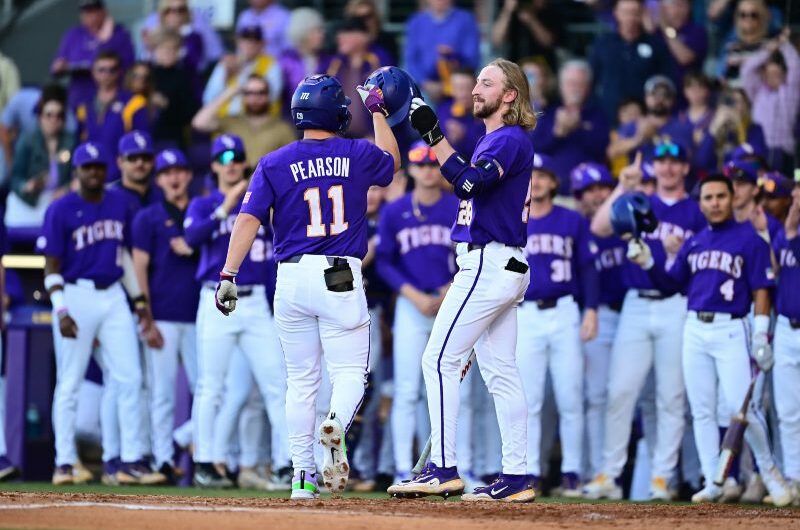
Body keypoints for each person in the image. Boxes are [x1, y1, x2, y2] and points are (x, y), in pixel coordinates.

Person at [215, 74, 400, 498]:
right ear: (337, 112)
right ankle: (334, 420)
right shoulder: (355, 152)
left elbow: (247, 220)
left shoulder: (275, 161)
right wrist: (377, 112)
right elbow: (392, 162)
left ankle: (302, 476)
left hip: (292, 277)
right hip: (340, 273)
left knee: (300, 382)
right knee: (350, 372)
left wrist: (228, 274)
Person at [387, 59, 537, 502]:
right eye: (476, 82)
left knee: (437, 361)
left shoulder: (508, 138)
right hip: (499, 263)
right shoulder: (498, 138)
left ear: (510, 95)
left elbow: (469, 184)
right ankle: (515, 476)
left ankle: (443, 468)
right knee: (502, 374)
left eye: (486, 83)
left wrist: (434, 137)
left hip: (489, 262)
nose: (475, 89)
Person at [625, 174, 794, 506]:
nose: (715, 203)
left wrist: (761, 332)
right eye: (708, 198)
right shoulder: (695, 241)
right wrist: (647, 260)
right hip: (694, 328)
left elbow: (762, 289)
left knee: (742, 408)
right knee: (701, 410)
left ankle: (771, 474)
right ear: (700, 203)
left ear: (732, 199)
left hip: (732, 328)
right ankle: (712, 479)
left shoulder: (751, 240)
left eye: (720, 196)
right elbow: (672, 283)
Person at [585, 142, 706, 501]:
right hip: (636, 305)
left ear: (685, 168)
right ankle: (609, 473)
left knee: (671, 396)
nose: (668, 169)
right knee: (621, 390)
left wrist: (679, 252)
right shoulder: (642, 200)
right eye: (663, 162)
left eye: (675, 162)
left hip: (676, 304)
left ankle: (662, 478)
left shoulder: (696, 210)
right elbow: (599, 226)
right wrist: (625, 186)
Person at [37, 142, 156, 485]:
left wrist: (139, 302)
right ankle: (64, 462)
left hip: (113, 294)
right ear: (76, 170)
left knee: (129, 377)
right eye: (87, 166)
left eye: (99, 166)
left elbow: (123, 256)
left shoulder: (120, 203)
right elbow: (51, 265)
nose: (94, 172)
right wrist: (61, 310)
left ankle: (130, 460)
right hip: (75, 294)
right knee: (70, 381)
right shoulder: (61, 209)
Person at [185, 134, 291, 489]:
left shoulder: (262, 203)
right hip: (215, 299)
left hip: (257, 299)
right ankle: (204, 462)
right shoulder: (203, 204)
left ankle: (285, 464)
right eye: (224, 157)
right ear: (214, 165)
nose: (231, 163)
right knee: (210, 386)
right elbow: (192, 240)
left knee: (277, 385)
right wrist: (225, 205)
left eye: (237, 156)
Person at [375, 142, 459, 485]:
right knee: (407, 390)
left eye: (431, 164)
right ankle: (400, 466)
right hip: (411, 305)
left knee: (445, 389)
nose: (427, 170)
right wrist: (411, 294)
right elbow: (384, 261)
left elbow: (471, 253)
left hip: (449, 302)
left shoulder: (456, 206)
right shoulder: (394, 211)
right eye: (419, 164)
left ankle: (450, 463)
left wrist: (449, 290)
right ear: (410, 169)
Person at [515, 154, 598, 496]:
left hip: (564, 311)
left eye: (543, 176)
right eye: (532, 175)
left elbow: (588, 269)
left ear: (553, 182)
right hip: (527, 312)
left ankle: (572, 471)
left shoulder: (572, 220)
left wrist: (591, 309)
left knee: (570, 396)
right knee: (529, 398)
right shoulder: (514, 217)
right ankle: (531, 469)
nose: (537, 181)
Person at [132, 147, 199, 482]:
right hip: (163, 313)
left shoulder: (202, 211)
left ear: (188, 175)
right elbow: (139, 267)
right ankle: (161, 459)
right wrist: (145, 314)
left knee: (211, 390)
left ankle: (190, 444)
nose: (174, 178)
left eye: (179, 171)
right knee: (161, 392)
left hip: (201, 315)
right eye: (167, 173)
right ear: (159, 179)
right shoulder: (148, 217)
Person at [570, 162, 627, 481]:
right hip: (597, 315)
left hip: (632, 313)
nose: (598, 194)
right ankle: (596, 472)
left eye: (603, 187)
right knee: (596, 397)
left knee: (639, 397)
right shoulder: (579, 227)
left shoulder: (625, 220)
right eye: (589, 190)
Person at [530, 60, 610, 195]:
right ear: (561, 86)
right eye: (570, 83)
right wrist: (557, 133)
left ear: (588, 88)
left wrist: (578, 126)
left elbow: (601, 150)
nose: (574, 88)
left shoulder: (597, 115)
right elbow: (534, 148)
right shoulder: (547, 113)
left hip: (587, 193)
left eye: (580, 84)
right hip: (551, 193)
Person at [589, 0, 674, 123]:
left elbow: (666, 80)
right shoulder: (602, 44)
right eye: (625, 12)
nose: (630, 17)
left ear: (641, 14)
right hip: (608, 116)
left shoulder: (656, 45)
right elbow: (591, 79)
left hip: (646, 118)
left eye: (634, 12)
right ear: (616, 13)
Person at [193, 75, 295, 170]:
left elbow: (292, 161)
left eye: (261, 92)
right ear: (243, 96)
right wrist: (230, 92)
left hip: (268, 184)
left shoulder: (283, 128)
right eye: (249, 93)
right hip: (232, 182)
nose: (255, 98)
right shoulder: (230, 121)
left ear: (268, 96)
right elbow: (199, 123)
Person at [75, 51, 149, 182]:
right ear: (93, 72)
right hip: (91, 178)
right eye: (102, 70)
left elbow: (142, 144)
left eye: (112, 70)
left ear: (119, 72)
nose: (107, 75)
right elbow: (80, 143)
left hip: (122, 178)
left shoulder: (134, 103)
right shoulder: (84, 107)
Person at [6, 93, 75, 229]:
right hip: (32, 201)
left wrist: (66, 189)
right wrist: (26, 186)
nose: (54, 119)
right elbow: (15, 177)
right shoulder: (27, 140)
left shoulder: (71, 141)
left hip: (60, 202)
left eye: (59, 115)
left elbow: (77, 176)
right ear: (40, 117)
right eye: (49, 115)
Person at [51, 0, 135, 110]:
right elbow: (55, 69)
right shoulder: (74, 34)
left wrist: (105, 40)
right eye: (86, 12)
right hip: (80, 99)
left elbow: (129, 67)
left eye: (93, 11)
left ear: (104, 12)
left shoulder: (119, 34)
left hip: (112, 101)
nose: (90, 16)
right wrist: (60, 66)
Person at [773, 180, 800, 498]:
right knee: (788, 411)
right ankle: (794, 476)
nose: (796, 202)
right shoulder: (785, 232)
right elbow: (774, 266)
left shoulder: (788, 232)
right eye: (793, 197)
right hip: (785, 327)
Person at [741, 31, 800, 174]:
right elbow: (747, 70)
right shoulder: (758, 92)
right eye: (769, 74)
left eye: (777, 74)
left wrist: (785, 45)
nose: (772, 77)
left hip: (783, 150)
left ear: (784, 74)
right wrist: (768, 50)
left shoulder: (790, 92)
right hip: (760, 148)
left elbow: (795, 66)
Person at [404, 0, 480, 102]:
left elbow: (472, 59)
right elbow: (410, 61)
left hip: (457, 86)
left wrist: (454, 56)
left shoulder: (466, 20)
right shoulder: (416, 22)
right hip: (424, 87)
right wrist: (425, 83)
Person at [203, 26, 283, 119]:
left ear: (262, 44)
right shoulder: (227, 62)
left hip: (255, 121)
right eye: (246, 38)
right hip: (224, 120)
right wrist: (225, 76)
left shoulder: (271, 64)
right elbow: (208, 98)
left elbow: (273, 96)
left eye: (256, 39)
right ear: (238, 41)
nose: (251, 43)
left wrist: (243, 76)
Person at [325, 18, 384, 139]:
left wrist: (376, 133)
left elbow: (387, 97)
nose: (340, 38)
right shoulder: (335, 62)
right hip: (339, 136)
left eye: (346, 33)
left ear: (363, 36)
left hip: (371, 136)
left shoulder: (378, 59)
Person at [149, 28, 200, 150]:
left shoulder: (185, 76)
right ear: (154, 51)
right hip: (149, 136)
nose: (169, 52)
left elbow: (191, 111)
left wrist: (167, 105)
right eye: (164, 48)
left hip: (174, 139)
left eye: (174, 49)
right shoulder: (146, 75)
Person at [279, 8, 329, 118]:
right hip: (291, 121)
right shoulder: (286, 61)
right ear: (302, 33)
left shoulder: (328, 61)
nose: (322, 35)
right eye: (316, 31)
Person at [652, 0, 708, 87]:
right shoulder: (656, 32)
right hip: (663, 93)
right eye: (674, 5)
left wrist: (666, 28)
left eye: (682, 5)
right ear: (663, 9)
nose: (677, 10)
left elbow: (684, 58)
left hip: (688, 93)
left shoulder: (697, 31)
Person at [491, 0, 561, 69]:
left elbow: (549, 42)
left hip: (543, 67)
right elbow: (497, 40)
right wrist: (508, 10)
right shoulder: (506, 9)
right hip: (514, 67)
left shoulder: (549, 8)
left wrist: (531, 19)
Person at [724, 158, 782, 241]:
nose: (734, 190)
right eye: (730, 185)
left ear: (755, 190)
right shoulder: (723, 222)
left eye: (740, 184)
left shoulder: (770, 225)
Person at [717, 0, 772, 84]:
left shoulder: (769, 47)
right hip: (732, 94)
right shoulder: (730, 46)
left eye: (753, 15)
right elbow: (721, 78)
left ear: (761, 18)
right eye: (743, 15)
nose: (748, 19)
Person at [435, 68, 485, 159]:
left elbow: (486, 149)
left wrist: (464, 135)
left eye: (467, 88)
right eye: (457, 88)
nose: (463, 94)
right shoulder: (444, 110)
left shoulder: (485, 114)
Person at [111, 130, 163, 213]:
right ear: (120, 162)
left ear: (153, 161)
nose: (140, 163)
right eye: (132, 158)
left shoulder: (163, 196)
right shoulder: (108, 198)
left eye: (146, 157)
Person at [345, 0, 398, 64]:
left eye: (369, 16)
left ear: (376, 16)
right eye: (359, 18)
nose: (364, 22)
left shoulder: (387, 41)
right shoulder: (343, 45)